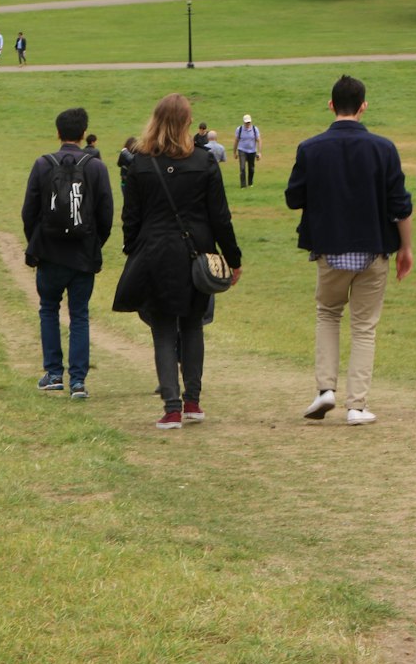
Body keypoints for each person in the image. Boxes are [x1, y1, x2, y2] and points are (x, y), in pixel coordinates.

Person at [284, 74, 413, 426]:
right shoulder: (383, 149)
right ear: (363, 107)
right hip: (374, 249)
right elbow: (400, 205)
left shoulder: (310, 148)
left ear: (331, 105)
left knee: (328, 313)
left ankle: (325, 388)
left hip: (330, 249)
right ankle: (356, 405)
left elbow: (293, 197)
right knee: (364, 328)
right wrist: (407, 248)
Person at [113, 94, 242, 429]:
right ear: (187, 122)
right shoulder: (204, 161)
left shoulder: (139, 163)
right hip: (196, 253)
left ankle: (171, 407)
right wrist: (232, 259)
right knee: (193, 324)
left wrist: (133, 250)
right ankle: (193, 402)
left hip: (154, 252)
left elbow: (131, 217)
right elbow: (220, 218)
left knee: (163, 329)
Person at [21, 107, 114, 399]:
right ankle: (78, 381)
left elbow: (29, 212)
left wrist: (36, 243)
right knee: (80, 315)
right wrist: (95, 244)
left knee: (48, 309)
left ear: (58, 133)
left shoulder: (42, 164)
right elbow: (106, 213)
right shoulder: (96, 167)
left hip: (49, 253)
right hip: (83, 255)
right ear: (84, 134)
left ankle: (52, 373)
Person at [233, 114, 262, 187]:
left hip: (252, 151)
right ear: (243, 122)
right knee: (242, 168)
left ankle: (250, 183)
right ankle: (243, 185)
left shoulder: (255, 129)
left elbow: (259, 140)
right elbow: (236, 141)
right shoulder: (239, 130)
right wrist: (234, 152)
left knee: (251, 168)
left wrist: (260, 152)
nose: (247, 124)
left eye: (249, 122)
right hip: (242, 150)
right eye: (246, 122)